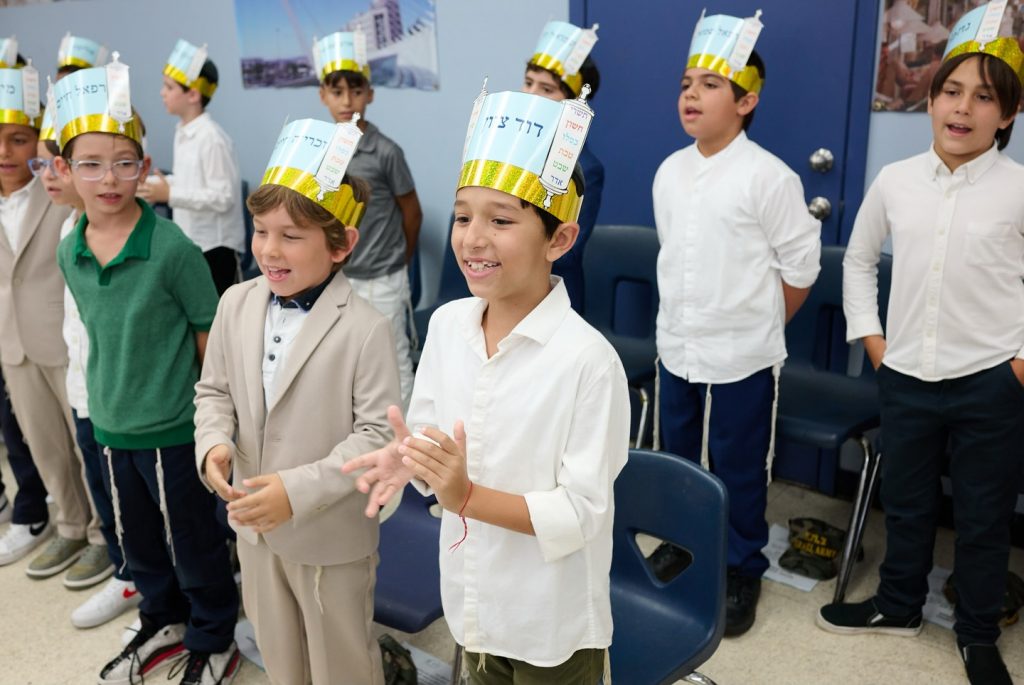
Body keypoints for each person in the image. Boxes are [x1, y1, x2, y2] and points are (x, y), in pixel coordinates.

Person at [344, 84, 630, 684]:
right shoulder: (448, 325)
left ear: (560, 239)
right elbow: (429, 435)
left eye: (501, 220)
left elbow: (579, 514)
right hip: (470, 598)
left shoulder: (589, 363)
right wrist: (409, 460)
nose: (473, 238)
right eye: (463, 215)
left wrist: (465, 496)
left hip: (549, 623)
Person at [818, 5, 1024, 684]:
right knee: (905, 502)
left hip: (991, 378)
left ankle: (975, 633)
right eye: (951, 90)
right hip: (905, 372)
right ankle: (899, 603)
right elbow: (856, 260)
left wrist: (1019, 362)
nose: (962, 109)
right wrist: (872, 339)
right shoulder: (896, 180)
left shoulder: (1018, 188)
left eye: (984, 97)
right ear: (930, 99)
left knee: (984, 511)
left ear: (1007, 115)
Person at [195, 117, 400, 684]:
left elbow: (378, 437)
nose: (269, 249)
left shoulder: (366, 328)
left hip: (330, 538)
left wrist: (296, 489)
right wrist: (212, 442)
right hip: (254, 532)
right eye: (261, 230)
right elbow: (213, 391)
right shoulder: (235, 303)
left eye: (291, 235)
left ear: (342, 245)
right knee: (280, 656)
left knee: (341, 663)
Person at [54, 56, 239, 684]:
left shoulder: (172, 249)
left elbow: (210, 336)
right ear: (64, 171)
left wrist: (215, 421)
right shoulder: (69, 247)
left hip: (171, 427)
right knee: (138, 544)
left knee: (192, 540)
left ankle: (214, 632)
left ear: (145, 167)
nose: (109, 178)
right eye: (90, 163)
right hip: (110, 424)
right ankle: (162, 617)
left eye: (124, 162)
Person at [652, 10, 821, 636]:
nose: (691, 94)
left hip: (743, 358)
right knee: (678, 455)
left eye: (710, 84)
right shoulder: (670, 171)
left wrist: (757, 329)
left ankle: (741, 564)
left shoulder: (769, 177)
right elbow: (675, 253)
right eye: (685, 83)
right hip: (678, 349)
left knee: (738, 464)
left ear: (747, 100)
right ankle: (682, 542)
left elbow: (800, 267)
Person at [0, 48, 102, 583]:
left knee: (84, 445)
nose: (6, 151)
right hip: (12, 341)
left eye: (19, 139)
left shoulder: (57, 192)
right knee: (43, 446)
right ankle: (68, 525)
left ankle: (102, 537)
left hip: (64, 338)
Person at [315, 31, 421, 404]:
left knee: (393, 361)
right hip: (341, 276)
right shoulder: (322, 150)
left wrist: (398, 262)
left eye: (356, 91)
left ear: (370, 94)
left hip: (383, 278)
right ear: (323, 95)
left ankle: (404, 448)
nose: (347, 101)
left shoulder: (386, 152)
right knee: (348, 361)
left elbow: (412, 212)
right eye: (337, 91)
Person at [138, 39, 245, 296]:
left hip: (216, 249)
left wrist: (170, 195)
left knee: (219, 320)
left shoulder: (212, 138)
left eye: (169, 87)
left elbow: (223, 197)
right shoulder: (183, 132)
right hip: (193, 244)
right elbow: (192, 183)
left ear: (193, 95)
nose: (162, 93)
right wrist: (156, 185)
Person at [522, 20, 604, 313]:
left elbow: (567, 252)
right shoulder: (511, 150)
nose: (532, 95)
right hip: (507, 288)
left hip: (554, 299)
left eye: (547, 89)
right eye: (529, 82)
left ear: (572, 103)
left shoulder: (585, 168)